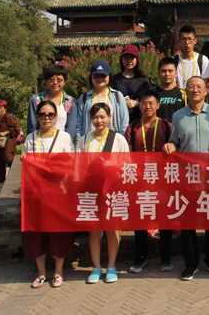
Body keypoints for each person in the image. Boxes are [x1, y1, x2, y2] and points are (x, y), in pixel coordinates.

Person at [163, 76, 209, 281]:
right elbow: (175, 141)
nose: (195, 90)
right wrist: (170, 145)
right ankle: (191, 263)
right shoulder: (178, 115)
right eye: (191, 87)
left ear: (206, 91)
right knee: (188, 222)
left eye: (199, 87)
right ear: (186, 91)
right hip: (187, 176)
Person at [21, 100, 75, 288]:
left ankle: (58, 272)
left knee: (58, 233)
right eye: (42, 114)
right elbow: (25, 164)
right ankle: (41, 273)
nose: (46, 118)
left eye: (50, 114)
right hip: (35, 194)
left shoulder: (64, 137)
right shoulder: (30, 139)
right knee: (36, 233)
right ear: (37, 117)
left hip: (58, 193)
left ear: (56, 117)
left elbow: (71, 162)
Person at [76, 103, 129, 283]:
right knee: (93, 231)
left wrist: (112, 168)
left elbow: (127, 164)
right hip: (91, 192)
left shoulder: (118, 139)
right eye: (95, 117)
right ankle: (96, 267)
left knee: (112, 230)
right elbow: (78, 167)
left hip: (113, 191)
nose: (99, 121)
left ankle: (111, 266)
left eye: (102, 117)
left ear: (109, 117)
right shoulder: (84, 141)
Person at [124, 90, 173, 274]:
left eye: (151, 103)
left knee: (164, 218)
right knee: (140, 220)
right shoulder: (132, 128)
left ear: (158, 105)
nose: (147, 107)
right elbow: (129, 155)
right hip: (139, 179)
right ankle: (141, 256)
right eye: (144, 103)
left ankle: (166, 256)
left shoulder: (166, 126)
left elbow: (173, 151)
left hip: (162, 179)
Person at [77, 60, 129, 138]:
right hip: (90, 141)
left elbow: (124, 122)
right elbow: (79, 124)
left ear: (109, 76)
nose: (99, 78)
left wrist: (120, 139)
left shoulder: (117, 95)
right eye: (96, 76)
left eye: (103, 76)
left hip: (112, 140)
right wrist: (80, 141)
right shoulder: (85, 97)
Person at [27, 64, 78, 140]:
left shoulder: (71, 102)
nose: (55, 83)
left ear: (64, 82)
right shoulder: (36, 100)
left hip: (62, 142)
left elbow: (71, 128)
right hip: (40, 142)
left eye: (59, 80)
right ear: (46, 81)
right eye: (51, 80)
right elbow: (32, 126)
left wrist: (66, 142)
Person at [111, 44, 152, 123]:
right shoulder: (115, 79)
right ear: (121, 59)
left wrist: (137, 103)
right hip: (119, 120)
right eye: (126, 58)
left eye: (132, 58)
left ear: (137, 59)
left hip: (138, 121)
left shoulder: (143, 80)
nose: (129, 61)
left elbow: (150, 99)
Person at [175, 24, 209, 91]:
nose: (187, 42)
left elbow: (203, 85)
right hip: (179, 96)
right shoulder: (174, 61)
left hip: (196, 95)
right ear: (179, 41)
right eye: (183, 39)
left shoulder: (203, 60)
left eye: (190, 39)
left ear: (195, 41)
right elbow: (172, 84)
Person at [0, 100, 21, 183]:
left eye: (0, 108)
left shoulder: (8, 117)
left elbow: (17, 129)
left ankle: (18, 172)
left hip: (8, 141)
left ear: (5, 108)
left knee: (7, 158)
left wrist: (5, 132)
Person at [152, 57, 185, 124]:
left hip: (177, 130)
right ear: (158, 73)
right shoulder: (151, 93)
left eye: (170, 71)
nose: (167, 74)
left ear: (176, 73)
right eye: (163, 71)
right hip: (156, 129)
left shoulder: (183, 95)